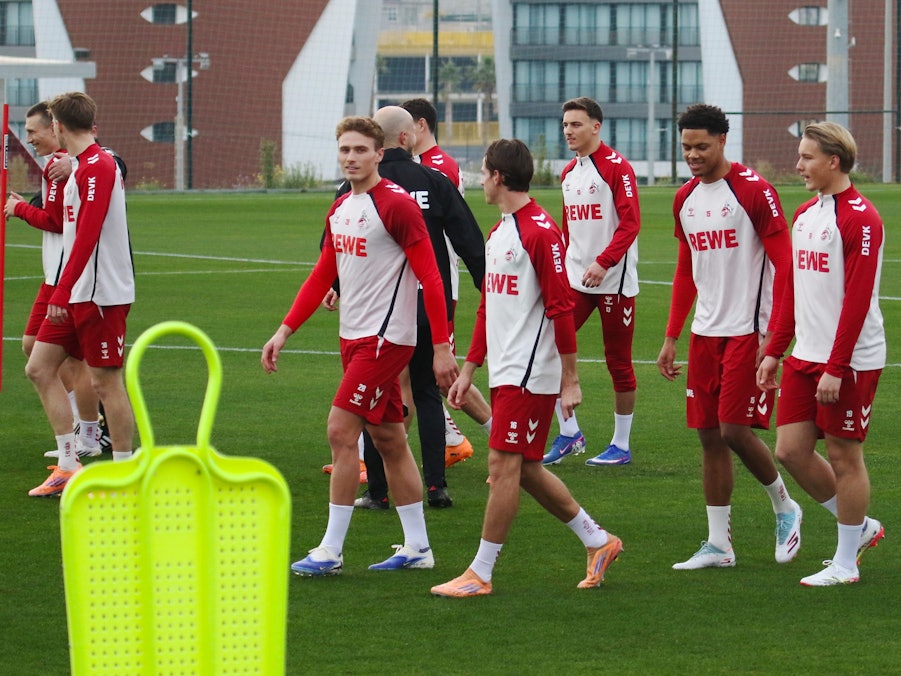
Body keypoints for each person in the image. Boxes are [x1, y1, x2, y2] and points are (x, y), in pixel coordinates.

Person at [262, 116, 458, 576]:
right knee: (389, 438)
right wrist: (285, 330)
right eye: (345, 150)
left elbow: (431, 275)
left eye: (360, 150)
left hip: (386, 340)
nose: (351, 157)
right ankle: (418, 548)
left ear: (378, 153)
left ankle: (330, 551)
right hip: (352, 337)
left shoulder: (397, 205)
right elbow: (322, 274)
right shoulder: (340, 208)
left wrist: (443, 345)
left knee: (339, 431)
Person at [430, 139, 622, 597]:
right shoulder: (500, 232)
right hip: (505, 370)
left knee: (502, 467)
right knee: (526, 467)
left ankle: (480, 572)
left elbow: (560, 307)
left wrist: (569, 380)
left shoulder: (539, 231)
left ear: (498, 176)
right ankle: (599, 541)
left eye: (483, 171)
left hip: (530, 373)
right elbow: (486, 309)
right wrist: (469, 369)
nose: (480, 179)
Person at [656, 103, 802, 569]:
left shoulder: (754, 191)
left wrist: (775, 338)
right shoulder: (684, 199)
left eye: (701, 146)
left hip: (748, 331)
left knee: (733, 430)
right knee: (708, 437)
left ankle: (786, 506)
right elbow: (686, 271)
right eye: (685, 148)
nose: (693, 155)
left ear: (722, 140)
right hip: (705, 333)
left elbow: (787, 267)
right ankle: (719, 544)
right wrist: (672, 335)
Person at [757, 122, 886, 586]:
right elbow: (792, 288)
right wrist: (775, 350)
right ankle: (862, 527)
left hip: (849, 361)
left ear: (834, 161)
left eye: (807, 157)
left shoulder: (861, 219)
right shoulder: (806, 214)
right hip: (805, 356)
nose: (798, 165)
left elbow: (856, 299)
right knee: (790, 451)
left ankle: (846, 562)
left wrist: (837, 366)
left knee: (844, 455)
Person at [340, 106, 485, 510]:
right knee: (425, 392)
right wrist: (486, 286)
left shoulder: (360, 185)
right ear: (406, 137)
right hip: (429, 304)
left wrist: (337, 286)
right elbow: (469, 240)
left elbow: (334, 245)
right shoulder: (434, 181)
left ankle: (378, 491)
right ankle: (437, 487)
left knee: (376, 396)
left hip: (380, 311)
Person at [24, 91, 136, 496]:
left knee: (107, 382)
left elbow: (87, 235)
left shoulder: (98, 166)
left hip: (101, 294)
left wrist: (61, 290)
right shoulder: (77, 166)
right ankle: (68, 464)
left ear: (57, 126)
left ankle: (123, 472)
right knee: (38, 368)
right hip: (75, 290)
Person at [542, 96, 640, 467]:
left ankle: (621, 444)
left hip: (613, 282)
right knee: (548, 347)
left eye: (576, 124)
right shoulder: (569, 173)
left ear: (596, 127)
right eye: (566, 124)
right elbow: (568, 229)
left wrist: (604, 262)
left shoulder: (617, 168)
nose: (569, 130)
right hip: (576, 281)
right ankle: (570, 433)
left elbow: (631, 223)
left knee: (618, 361)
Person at [5, 102, 104, 463]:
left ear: (55, 129)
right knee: (32, 345)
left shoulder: (68, 166)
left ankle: (89, 433)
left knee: (68, 363)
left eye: (33, 132)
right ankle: (84, 425)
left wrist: (20, 211)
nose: (29, 138)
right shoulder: (58, 165)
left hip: (68, 277)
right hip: (53, 275)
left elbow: (60, 221)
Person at [402, 97, 493, 467]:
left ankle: (500, 436)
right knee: (414, 373)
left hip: (439, 288)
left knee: (439, 373)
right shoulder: (416, 167)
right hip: (416, 286)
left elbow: (451, 227)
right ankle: (451, 438)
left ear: (419, 126)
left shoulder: (440, 167)